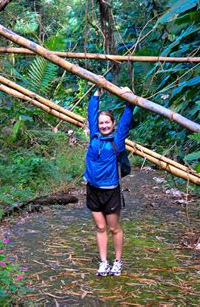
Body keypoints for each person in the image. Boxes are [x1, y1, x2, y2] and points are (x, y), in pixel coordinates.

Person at [85, 88, 134, 276]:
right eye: (101, 123)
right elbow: (91, 113)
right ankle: (104, 262)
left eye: (107, 122)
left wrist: (129, 100)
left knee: (113, 228)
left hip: (111, 190)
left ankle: (118, 261)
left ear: (113, 124)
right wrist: (97, 92)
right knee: (100, 227)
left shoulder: (118, 140)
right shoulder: (94, 137)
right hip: (93, 189)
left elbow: (126, 121)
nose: (104, 125)